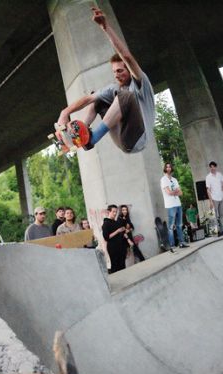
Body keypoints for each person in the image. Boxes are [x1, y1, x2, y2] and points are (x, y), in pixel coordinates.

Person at [55, 7, 154, 154]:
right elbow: (89, 98)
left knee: (125, 96)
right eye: (114, 72)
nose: (117, 75)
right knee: (98, 97)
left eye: (120, 71)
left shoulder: (141, 83)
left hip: (138, 139)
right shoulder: (114, 89)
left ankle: (92, 139)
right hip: (121, 138)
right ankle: (80, 136)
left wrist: (105, 27)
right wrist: (65, 112)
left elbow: (126, 56)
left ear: (129, 70)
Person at [160, 163, 189, 249]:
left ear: (171, 168)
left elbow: (181, 192)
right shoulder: (163, 179)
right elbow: (168, 193)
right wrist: (175, 191)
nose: (168, 168)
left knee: (179, 225)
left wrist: (175, 192)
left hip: (178, 204)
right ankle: (172, 245)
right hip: (170, 205)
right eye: (167, 167)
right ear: (165, 169)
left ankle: (182, 242)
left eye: (170, 167)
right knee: (171, 226)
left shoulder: (174, 180)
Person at [102, 204, 127, 273]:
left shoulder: (116, 222)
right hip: (113, 248)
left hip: (121, 247)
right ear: (108, 212)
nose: (115, 213)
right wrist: (117, 231)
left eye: (116, 212)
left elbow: (121, 232)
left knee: (122, 265)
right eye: (113, 212)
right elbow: (106, 237)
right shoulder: (106, 223)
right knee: (115, 266)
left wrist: (123, 230)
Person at [205, 161, 223, 236]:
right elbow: (208, 190)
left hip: (221, 197)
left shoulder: (219, 174)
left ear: (216, 167)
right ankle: (217, 232)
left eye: (214, 166)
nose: (212, 168)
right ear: (210, 168)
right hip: (214, 198)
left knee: (221, 215)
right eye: (211, 167)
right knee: (214, 216)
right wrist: (210, 201)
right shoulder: (208, 177)